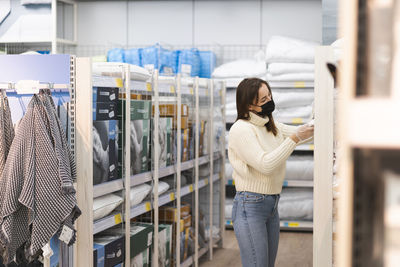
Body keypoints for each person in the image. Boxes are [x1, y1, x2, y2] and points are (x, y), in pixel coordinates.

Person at [228, 78, 314, 267]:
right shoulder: (241, 129)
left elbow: (303, 134)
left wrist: (319, 120)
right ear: (249, 104)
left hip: (271, 205)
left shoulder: (269, 124)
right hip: (250, 205)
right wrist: (293, 139)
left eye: (270, 96)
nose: (269, 101)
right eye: (263, 99)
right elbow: (265, 164)